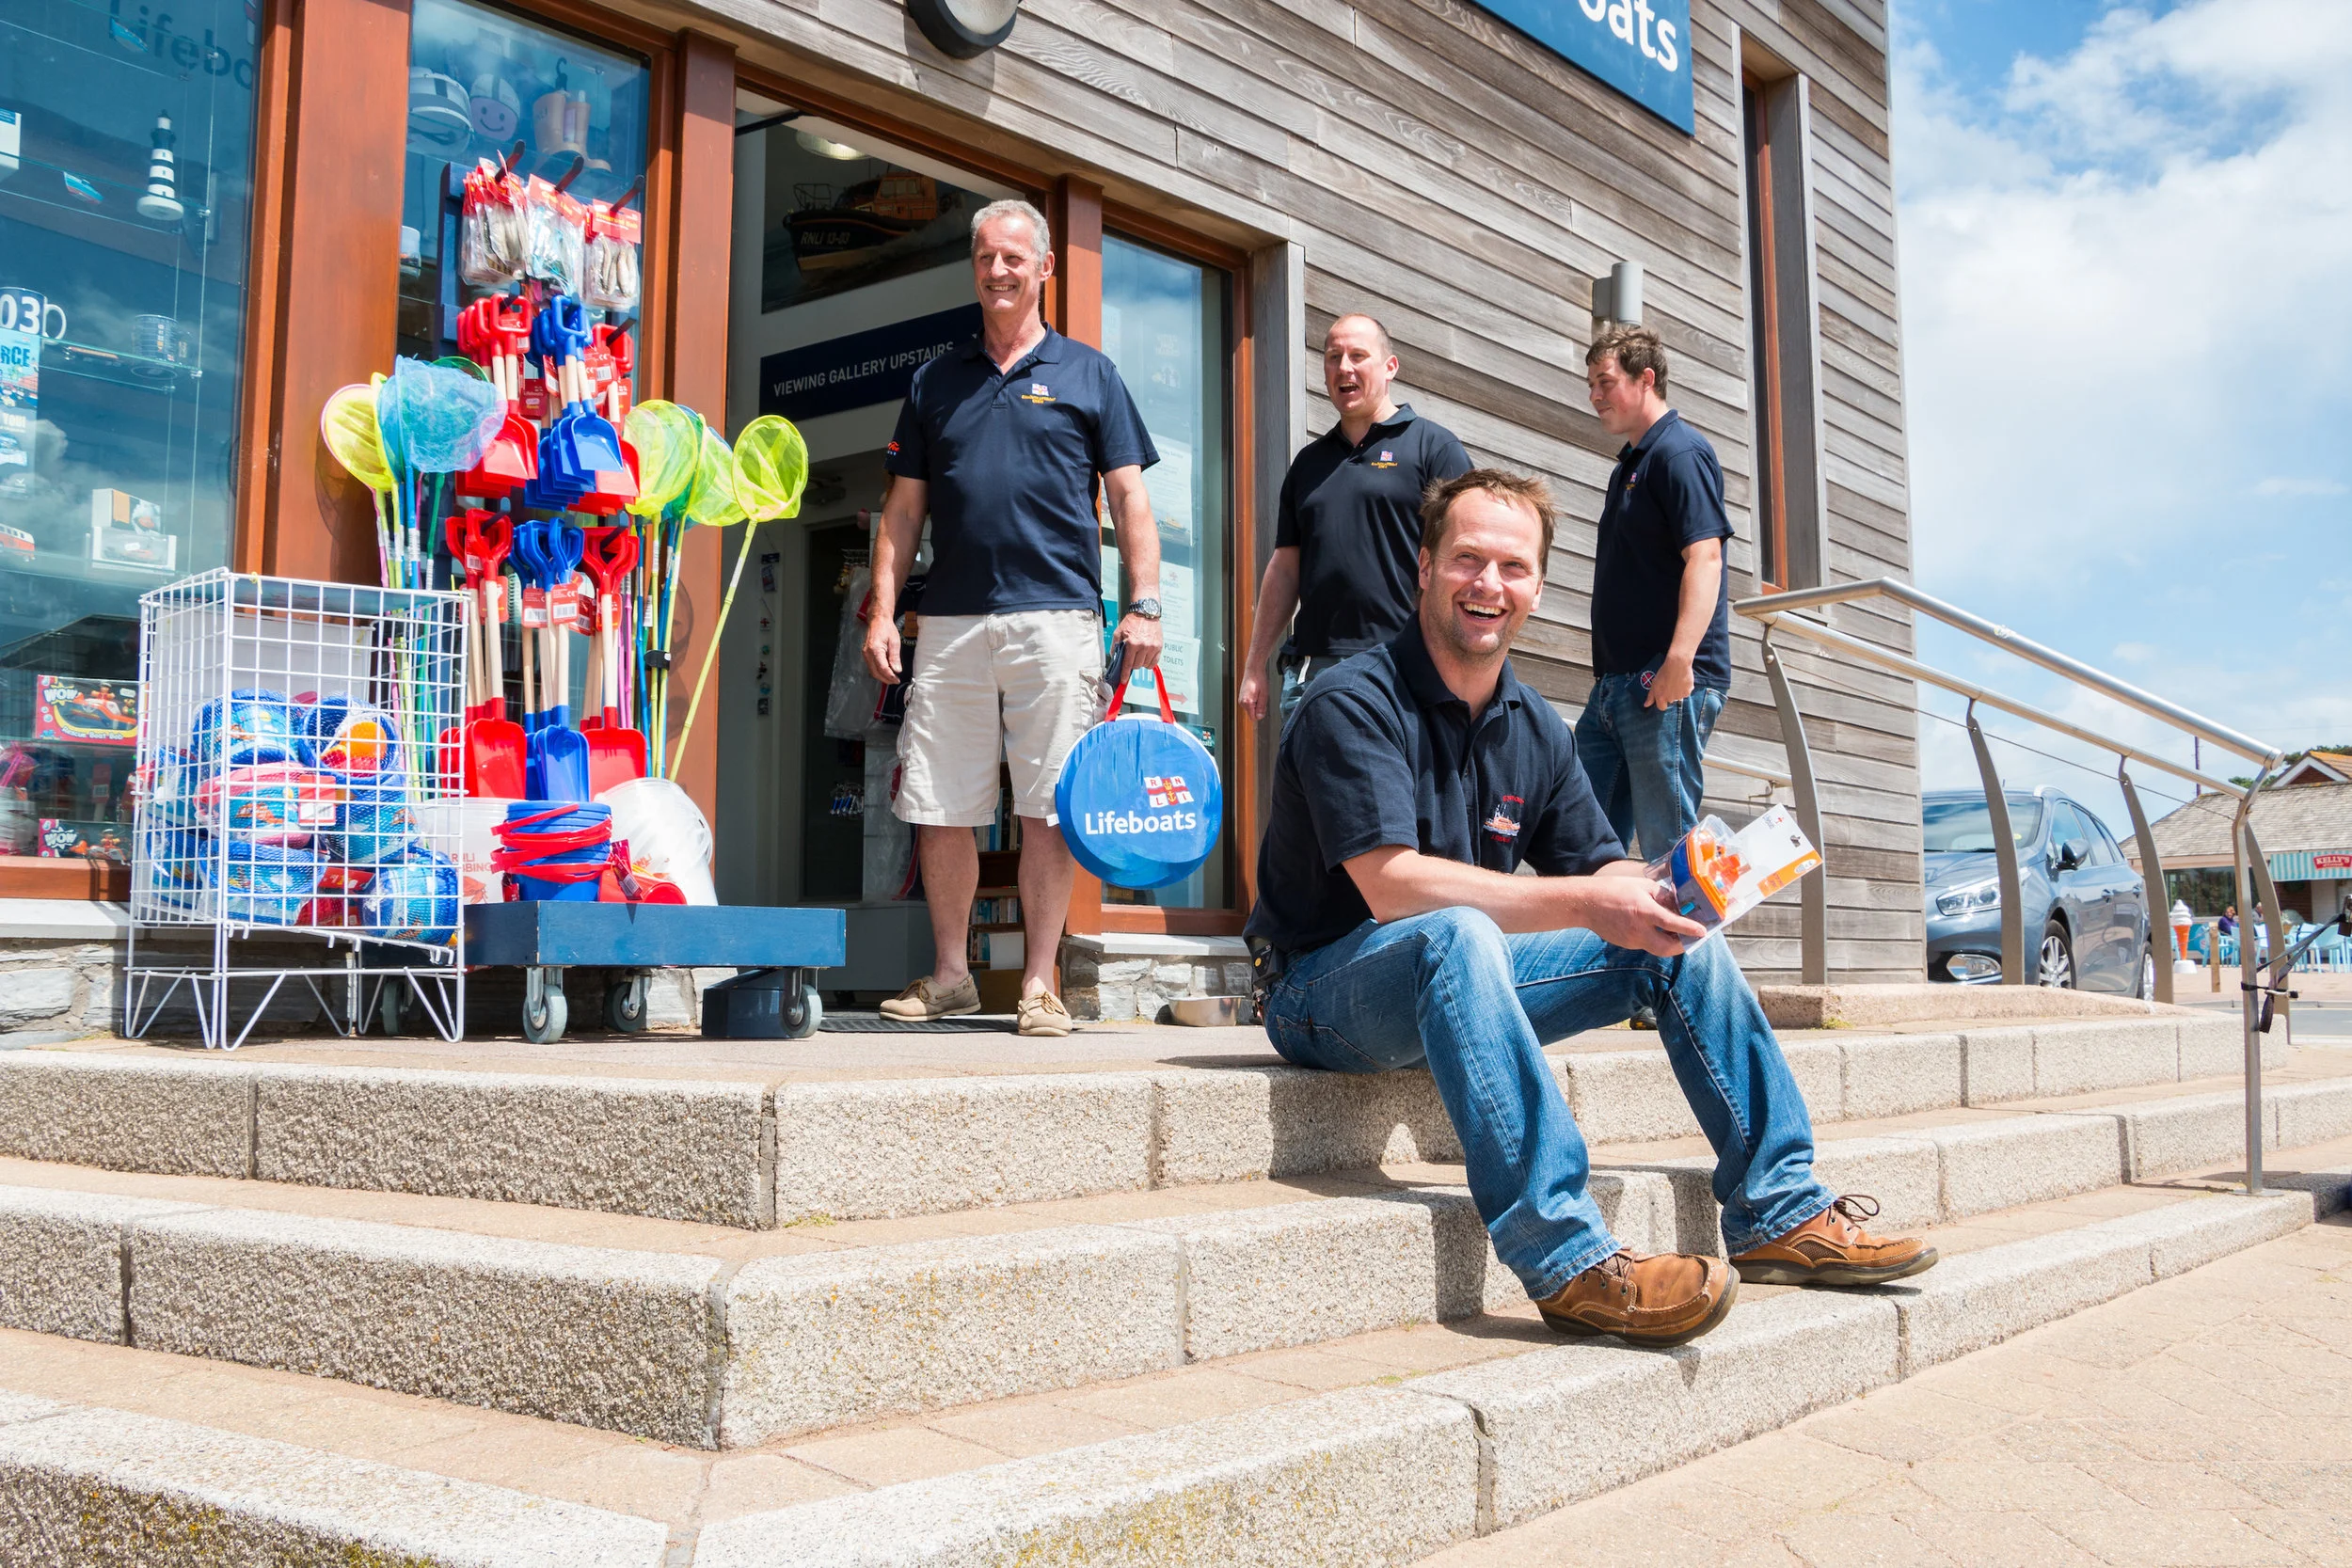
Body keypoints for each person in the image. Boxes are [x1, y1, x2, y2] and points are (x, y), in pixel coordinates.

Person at [1246, 467, 1933, 1347]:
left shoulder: (1534, 726)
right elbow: (1391, 886)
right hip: (1320, 992)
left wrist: (1682, 889)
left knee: (1673, 940)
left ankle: (1778, 1208)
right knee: (1453, 932)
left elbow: (1606, 871)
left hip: (1460, 981)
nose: (1488, 584)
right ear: (1423, 568)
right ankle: (1567, 1258)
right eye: (1466, 560)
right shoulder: (1354, 699)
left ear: (1536, 585)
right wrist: (1588, 898)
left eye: (1512, 566)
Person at [863, 198, 1165, 1037]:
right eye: (985, 258)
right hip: (952, 623)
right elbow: (901, 512)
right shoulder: (936, 380)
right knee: (939, 802)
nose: (998, 271)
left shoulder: (1089, 374)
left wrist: (1143, 603)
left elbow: (1131, 497)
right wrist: (884, 611)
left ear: (1043, 270)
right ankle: (954, 975)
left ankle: (1039, 982)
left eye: (1013, 259)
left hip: (1058, 619)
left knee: (1049, 806)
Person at [1577, 325, 1736, 1029]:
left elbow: (1705, 557)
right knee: (1583, 834)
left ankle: (1691, 995)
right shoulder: (1629, 465)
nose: (1595, 396)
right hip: (1614, 688)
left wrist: (1678, 661)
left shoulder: (1681, 451)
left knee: (1674, 844)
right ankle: (1605, 983)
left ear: (1646, 380)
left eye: (1605, 382)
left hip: (1662, 682)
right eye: (1591, 384)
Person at [1237, 314, 1470, 723]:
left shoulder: (1434, 448)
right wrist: (1255, 664)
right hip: (1313, 673)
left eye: (1358, 355)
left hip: (1402, 667)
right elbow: (1285, 568)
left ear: (1390, 367)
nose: (1344, 367)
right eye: (1333, 357)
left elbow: (1467, 556)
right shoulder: (1308, 464)